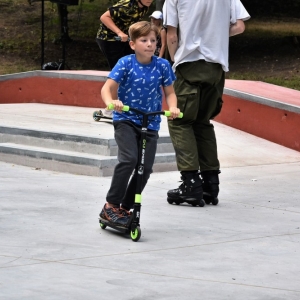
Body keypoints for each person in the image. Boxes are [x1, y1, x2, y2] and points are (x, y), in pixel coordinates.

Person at [163, 0, 250, 206]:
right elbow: (239, 26)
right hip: (216, 66)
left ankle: (191, 184)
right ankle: (211, 184)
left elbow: (172, 34)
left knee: (180, 121)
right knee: (203, 122)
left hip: (189, 63)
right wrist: (215, 34)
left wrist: (175, 61)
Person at [99, 21, 180, 227]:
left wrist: (174, 108)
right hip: (126, 119)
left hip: (150, 122)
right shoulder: (126, 63)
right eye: (144, 40)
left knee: (145, 168)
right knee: (129, 160)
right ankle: (110, 205)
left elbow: (170, 93)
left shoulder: (162, 65)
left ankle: (125, 207)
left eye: (153, 40)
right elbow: (107, 88)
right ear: (133, 44)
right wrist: (111, 102)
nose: (150, 44)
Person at [96, 0, 154, 118]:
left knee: (132, 68)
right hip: (109, 39)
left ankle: (128, 103)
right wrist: (119, 32)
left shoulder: (144, 7)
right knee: (119, 73)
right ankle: (110, 109)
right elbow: (104, 17)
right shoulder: (126, 6)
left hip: (125, 41)